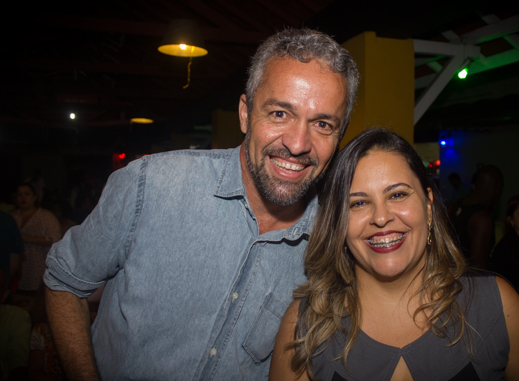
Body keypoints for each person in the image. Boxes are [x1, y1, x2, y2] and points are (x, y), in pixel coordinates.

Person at [44, 28, 359, 380]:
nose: (298, 144)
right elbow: (64, 279)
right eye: (279, 114)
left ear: (339, 135)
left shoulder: (335, 241)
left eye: (322, 124)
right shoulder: (151, 185)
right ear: (244, 113)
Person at [270, 128, 519, 381]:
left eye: (397, 195)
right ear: (338, 222)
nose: (381, 217)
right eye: (358, 203)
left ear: (429, 207)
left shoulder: (496, 306)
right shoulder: (305, 326)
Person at [450, 165, 504, 269]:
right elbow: (478, 265)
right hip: (469, 280)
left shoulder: (459, 204)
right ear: (497, 187)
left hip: (455, 274)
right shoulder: (482, 218)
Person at [11, 184, 61, 293]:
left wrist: (27, 238)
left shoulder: (46, 217)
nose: (23, 198)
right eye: (20, 195)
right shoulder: (12, 217)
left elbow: (55, 240)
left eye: (27, 194)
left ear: (34, 197)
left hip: (38, 270)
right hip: (16, 272)